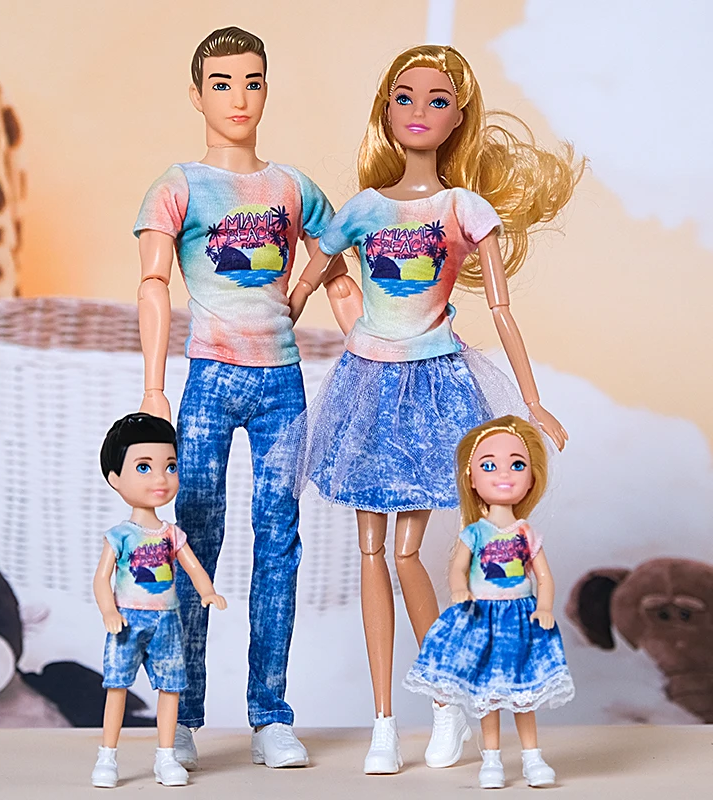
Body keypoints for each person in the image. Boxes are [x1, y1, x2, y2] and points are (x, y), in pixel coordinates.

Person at [280, 44, 583, 773]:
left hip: (433, 382)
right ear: (385, 109)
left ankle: (446, 701)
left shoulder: (463, 208)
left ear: (458, 118)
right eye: (405, 97)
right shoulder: (364, 208)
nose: (419, 111)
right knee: (369, 552)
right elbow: (310, 276)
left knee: (407, 551)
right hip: (365, 384)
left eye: (437, 100)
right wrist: (270, 322)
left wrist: (533, 401)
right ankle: (384, 722)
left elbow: (502, 312)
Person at [134, 26, 344, 769]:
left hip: (283, 382)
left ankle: (270, 714)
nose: (238, 97)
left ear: (267, 90)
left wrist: (364, 342)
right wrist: (153, 387)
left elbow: (338, 264)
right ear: (197, 95)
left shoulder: (292, 186)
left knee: (279, 542)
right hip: (209, 378)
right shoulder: (178, 185)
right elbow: (153, 283)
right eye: (221, 83)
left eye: (252, 81)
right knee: (192, 538)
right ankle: (181, 713)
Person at [404, 416, 574, 788]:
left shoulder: (526, 532)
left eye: (517, 464)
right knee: (488, 694)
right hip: (483, 616)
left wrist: (545, 607)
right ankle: (492, 760)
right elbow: (458, 569)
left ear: (532, 478)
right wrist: (459, 590)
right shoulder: (475, 533)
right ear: (471, 478)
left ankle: (532, 757)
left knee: (524, 693)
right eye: (488, 465)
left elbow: (543, 577)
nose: (504, 474)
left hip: (521, 618)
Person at [91, 413, 227, 788]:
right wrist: (108, 611)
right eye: (144, 467)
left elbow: (193, 566)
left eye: (170, 466)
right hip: (127, 620)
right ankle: (107, 757)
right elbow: (101, 579)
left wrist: (207, 591)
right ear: (115, 479)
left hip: (167, 620)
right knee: (117, 686)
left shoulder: (171, 534)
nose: (160, 479)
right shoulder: (120, 535)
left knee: (171, 687)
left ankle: (166, 756)